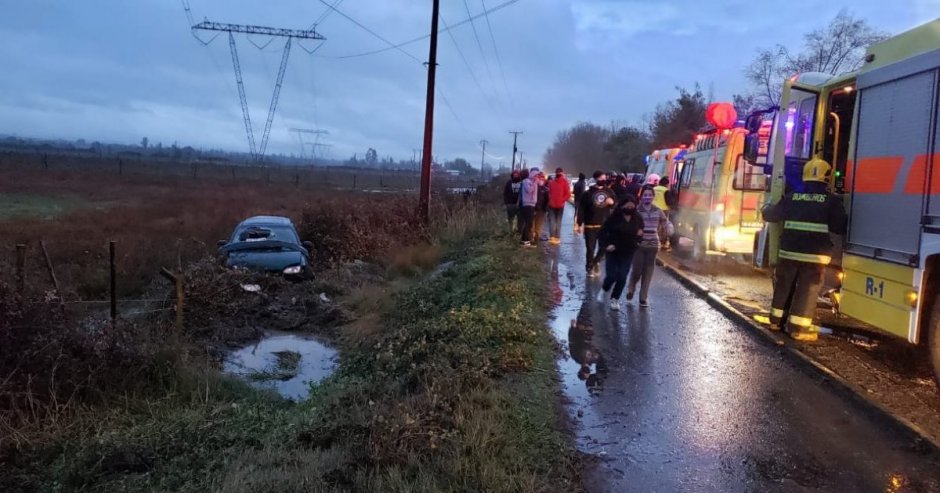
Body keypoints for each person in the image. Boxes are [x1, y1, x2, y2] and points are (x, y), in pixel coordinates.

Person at [762, 158, 847, 341]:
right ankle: (798, 330)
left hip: (788, 252)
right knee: (807, 290)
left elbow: (772, 215)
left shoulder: (792, 197)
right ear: (827, 177)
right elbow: (839, 227)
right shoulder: (830, 201)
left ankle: (776, 322)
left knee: (784, 285)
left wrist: (766, 206)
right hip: (815, 256)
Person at [626, 185, 673, 307]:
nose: (647, 197)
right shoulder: (636, 211)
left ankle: (643, 297)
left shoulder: (658, 210)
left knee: (648, 270)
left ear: (653, 197)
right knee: (637, 270)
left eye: (650, 195)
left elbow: (665, 222)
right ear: (641, 197)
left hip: (653, 244)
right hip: (639, 244)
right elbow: (628, 223)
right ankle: (631, 286)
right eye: (645, 195)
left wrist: (669, 227)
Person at [598, 195, 644, 311]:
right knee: (611, 275)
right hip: (613, 250)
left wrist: (638, 242)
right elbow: (602, 232)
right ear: (622, 206)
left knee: (622, 276)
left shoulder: (638, 218)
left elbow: (640, 234)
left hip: (628, 251)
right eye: (627, 206)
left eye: (632, 206)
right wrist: (606, 245)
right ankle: (604, 289)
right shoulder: (614, 217)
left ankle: (615, 298)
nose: (629, 208)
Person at [576, 170, 616, 277]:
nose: (603, 181)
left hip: (604, 225)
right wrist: (579, 224)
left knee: (604, 248)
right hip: (590, 225)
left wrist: (612, 203)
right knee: (590, 248)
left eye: (604, 179)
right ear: (596, 179)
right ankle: (589, 268)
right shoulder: (587, 193)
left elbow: (616, 205)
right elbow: (581, 209)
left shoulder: (609, 192)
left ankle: (595, 262)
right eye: (601, 179)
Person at [547, 167, 571, 245]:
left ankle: (554, 237)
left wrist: (559, 200)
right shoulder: (564, 182)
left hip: (556, 205)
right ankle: (556, 237)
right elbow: (567, 194)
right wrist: (561, 200)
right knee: (556, 221)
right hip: (557, 205)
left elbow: (568, 194)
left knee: (554, 221)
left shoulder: (554, 182)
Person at [518, 167, 540, 247]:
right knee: (528, 223)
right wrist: (534, 183)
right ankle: (525, 240)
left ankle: (525, 240)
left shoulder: (532, 181)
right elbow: (529, 190)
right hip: (527, 204)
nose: (537, 177)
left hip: (532, 204)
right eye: (536, 175)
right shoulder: (526, 181)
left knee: (529, 223)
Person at [653, 177, 671, 247]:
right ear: (666, 184)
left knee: (655, 225)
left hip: (654, 208)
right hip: (664, 209)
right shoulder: (666, 190)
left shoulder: (654, 188)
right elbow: (668, 201)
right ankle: (662, 242)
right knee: (663, 226)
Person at [533, 172, 550, 242]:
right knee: (532, 226)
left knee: (538, 227)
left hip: (541, 210)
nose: (541, 178)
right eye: (540, 177)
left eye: (543, 177)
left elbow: (548, 200)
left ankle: (536, 240)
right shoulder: (533, 186)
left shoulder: (546, 189)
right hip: (533, 208)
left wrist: (546, 208)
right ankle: (531, 239)